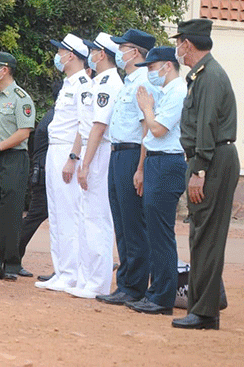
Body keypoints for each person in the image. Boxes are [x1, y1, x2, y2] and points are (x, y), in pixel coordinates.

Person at [170, 19, 239, 330]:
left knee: (207, 238)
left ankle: (206, 312)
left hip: (211, 161)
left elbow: (207, 127)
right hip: (207, 159)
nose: (178, 48)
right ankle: (202, 307)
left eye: (180, 42)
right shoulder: (201, 75)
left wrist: (199, 170)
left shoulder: (209, 76)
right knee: (200, 236)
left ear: (189, 44)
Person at [95, 29, 156, 305]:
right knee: (121, 220)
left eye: (123, 48)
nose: (119, 53)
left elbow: (146, 129)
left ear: (136, 52)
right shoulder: (130, 80)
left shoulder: (143, 82)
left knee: (133, 223)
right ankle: (124, 284)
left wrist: (141, 167)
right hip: (117, 152)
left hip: (133, 154)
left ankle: (135, 286)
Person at [124, 46, 187, 315]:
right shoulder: (165, 91)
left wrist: (147, 108)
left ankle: (163, 298)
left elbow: (159, 129)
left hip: (168, 162)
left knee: (161, 233)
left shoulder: (178, 91)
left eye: (152, 67)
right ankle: (156, 291)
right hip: (155, 161)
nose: (150, 73)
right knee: (154, 230)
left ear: (167, 66)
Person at [66, 32, 123, 298]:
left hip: (100, 151)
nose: (91, 53)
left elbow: (99, 125)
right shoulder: (99, 80)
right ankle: (86, 277)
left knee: (97, 218)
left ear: (102, 54)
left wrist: (85, 164)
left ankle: (97, 281)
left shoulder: (109, 83)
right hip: (92, 148)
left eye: (94, 50)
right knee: (86, 215)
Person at [34, 34, 91, 292]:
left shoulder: (82, 84)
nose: (57, 56)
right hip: (55, 149)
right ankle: (62, 270)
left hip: (68, 152)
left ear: (71, 56)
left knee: (69, 214)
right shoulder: (68, 84)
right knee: (56, 215)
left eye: (60, 52)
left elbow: (84, 124)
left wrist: (73, 157)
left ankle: (72, 272)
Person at [0, 51, 35, 282]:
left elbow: (24, 132)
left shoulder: (21, 97)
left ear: (5, 70)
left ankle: (11, 263)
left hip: (12, 158)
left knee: (10, 211)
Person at [18, 81, 62, 279]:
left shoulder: (53, 116)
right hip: (45, 174)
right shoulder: (57, 118)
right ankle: (11, 256)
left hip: (43, 172)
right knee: (36, 216)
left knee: (38, 217)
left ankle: (11, 255)